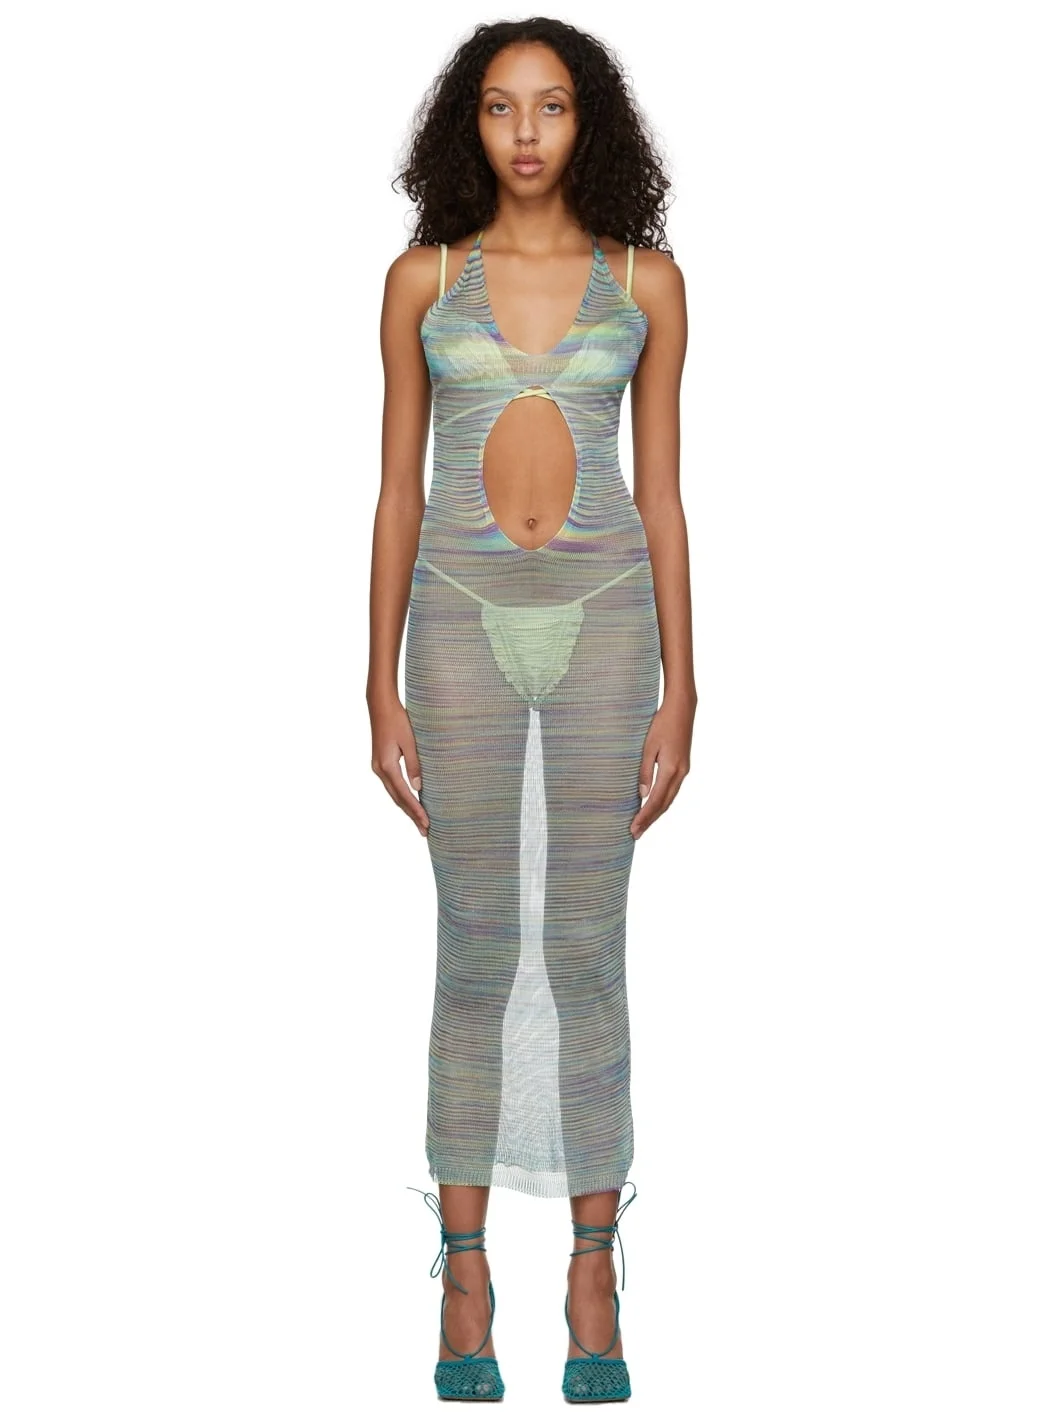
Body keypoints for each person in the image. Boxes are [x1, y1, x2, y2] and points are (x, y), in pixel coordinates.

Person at [368, 17, 695, 1402]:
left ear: (587, 125)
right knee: (474, 946)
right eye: (500, 107)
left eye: (551, 107)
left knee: (586, 948)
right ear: (470, 125)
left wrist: (687, 687)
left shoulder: (647, 282)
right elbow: (396, 487)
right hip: (454, 624)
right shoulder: (424, 280)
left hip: (609, 621)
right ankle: (463, 1275)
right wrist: (373, 681)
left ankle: (592, 1266)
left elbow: (664, 491)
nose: (524, 133)